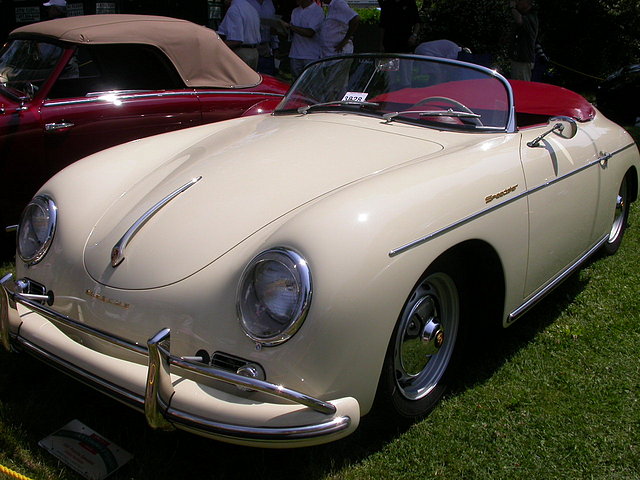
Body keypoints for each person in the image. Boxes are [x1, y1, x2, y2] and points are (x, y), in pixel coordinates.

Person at [280, 0, 324, 78]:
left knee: (311, 83)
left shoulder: (317, 11)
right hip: (295, 54)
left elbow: (310, 33)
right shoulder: (295, 11)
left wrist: (290, 26)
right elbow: (291, 33)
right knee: (296, 83)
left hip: (311, 56)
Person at [217, 0, 262, 70]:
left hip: (242, 53)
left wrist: (217, 46)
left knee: (241, 80)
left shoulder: (234, 9)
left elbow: (236, 40)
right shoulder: (251, 8)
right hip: (254, 52)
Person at [247, 0, 280, 74]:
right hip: (250, 47)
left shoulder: (269, 3)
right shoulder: (247, 2)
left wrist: (275, 47)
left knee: (267, 76)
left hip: (266, 47)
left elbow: (273, 27)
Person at [509, 0, 538, 81]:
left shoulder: (531, 16)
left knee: (523, 86)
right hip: (518, 59)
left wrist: (512, 8)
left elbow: (520, 21)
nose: (517, 3)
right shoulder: (524, 14)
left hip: (523, 61)